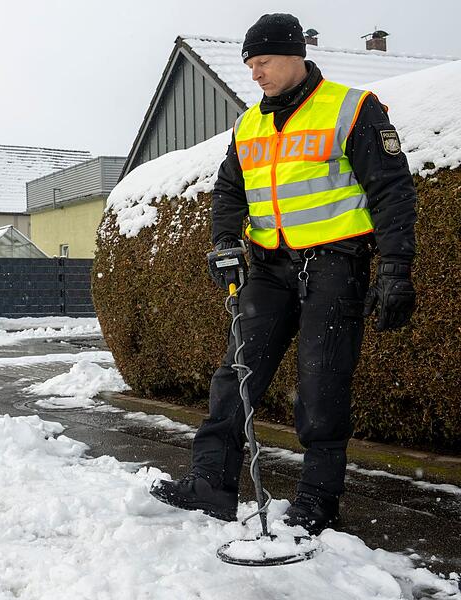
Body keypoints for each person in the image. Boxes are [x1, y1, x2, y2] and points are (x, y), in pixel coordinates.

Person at [150, 13, 417, 534]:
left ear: (294, 55)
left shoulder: (352, 108)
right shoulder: (249, 123)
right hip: (269, 268)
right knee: (236, 374)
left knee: (321, 384)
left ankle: (317, 500)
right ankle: (212, 483)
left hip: (334, 266)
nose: (256, 73)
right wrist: (225, 243)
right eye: (250, 64)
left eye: (264, 61)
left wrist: (396, 269)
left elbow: (392, 191)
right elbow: (229, 190)